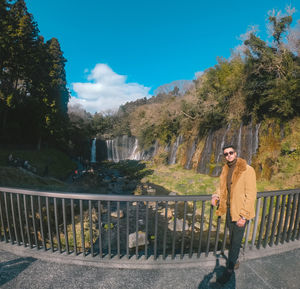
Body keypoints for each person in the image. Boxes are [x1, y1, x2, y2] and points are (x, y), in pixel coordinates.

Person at [211, 145, 257, 284]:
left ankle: (229, 271)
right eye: (226, 154)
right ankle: (234, 260)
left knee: (236, 242)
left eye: (231, 153)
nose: (229, 155)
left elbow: (251, 194)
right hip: (230, 210)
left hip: (241, 212)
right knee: (232, 239)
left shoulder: (247, 170)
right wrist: (216, 195)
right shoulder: (226, 169)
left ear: (236, 153)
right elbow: (222, 187)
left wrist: (244, 216)